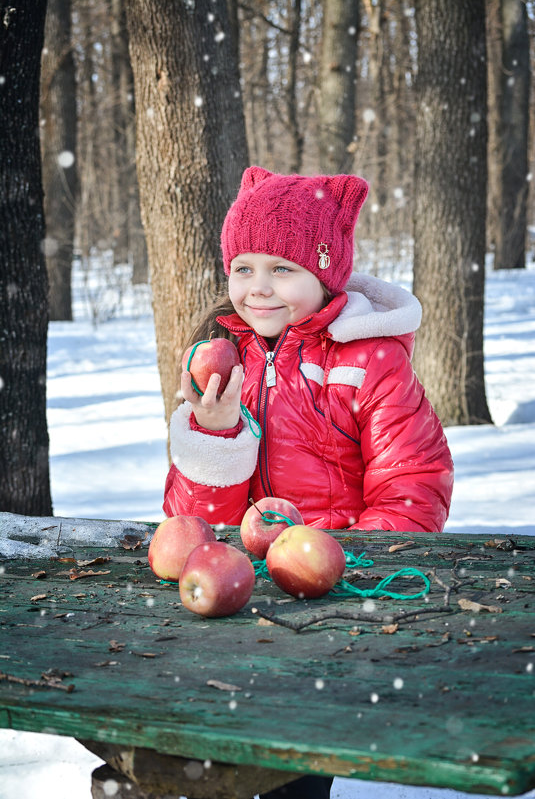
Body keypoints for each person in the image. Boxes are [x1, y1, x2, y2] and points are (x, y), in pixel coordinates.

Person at [162, 166, 454, 799]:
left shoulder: (368, 361)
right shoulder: (220, 357)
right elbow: (192, 522)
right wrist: (213, 438)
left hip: (328, 605)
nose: (258, 289)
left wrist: (339, 565)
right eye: (243, 268)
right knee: (206, 762)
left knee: (289, 769)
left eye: (282, 269)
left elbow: (414, 486)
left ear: (326, 276)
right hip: (234, 602)